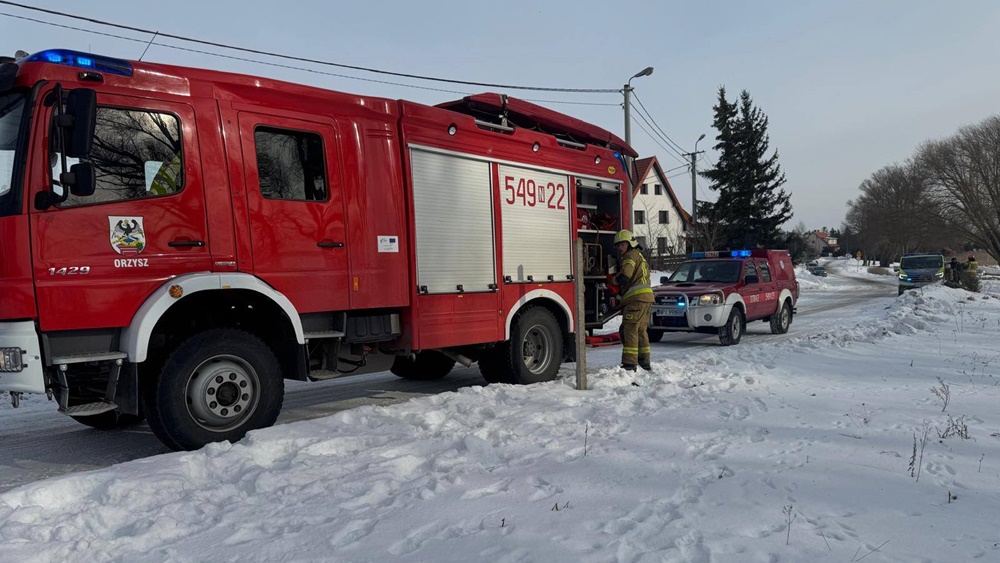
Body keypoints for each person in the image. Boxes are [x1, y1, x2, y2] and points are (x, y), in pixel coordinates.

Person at [612, 230, 654, 371]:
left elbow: (625, 276)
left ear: (630, 243)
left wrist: (611, 279)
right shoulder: (640, 256)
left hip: (636, 300)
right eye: (618, 246)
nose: (620, 248)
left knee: (629, 330)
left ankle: (629, 365)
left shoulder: (630, 256)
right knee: (641, 330)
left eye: (622, 244)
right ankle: (644, 362)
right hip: (646, 299)